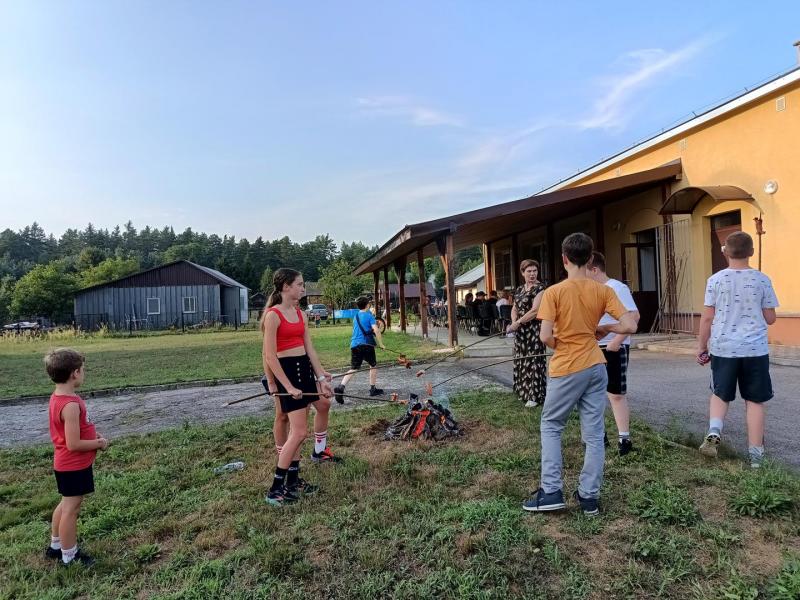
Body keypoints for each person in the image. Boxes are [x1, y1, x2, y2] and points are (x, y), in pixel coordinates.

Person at [523, 233, 636, 516]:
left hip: (567, 367)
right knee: (594, 433)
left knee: (552, 425)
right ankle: (589, 497)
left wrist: (561, 344)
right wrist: (606, 329)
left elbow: (545, 336)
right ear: (590, 259)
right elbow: (630, 326)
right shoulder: (603, 291)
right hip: (596, 364)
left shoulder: (554, 292)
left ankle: (551, 491)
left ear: (564, 259)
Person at [696, 231, 778, 468]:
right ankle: (756, 457)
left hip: (723, 349)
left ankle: (714, 431)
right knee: (755, 400)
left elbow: (707, 318)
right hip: (755, 350)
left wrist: (701, 346)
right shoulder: (763, 279)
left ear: (725, 252)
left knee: (720, 393)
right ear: (751, 252)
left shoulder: (715, 280)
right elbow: (771, 318)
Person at [261, 268, 336, 507]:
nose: (303, 288)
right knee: (299, 432)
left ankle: (292, 482)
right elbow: (270, 356)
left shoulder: (301, 314)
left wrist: (321, 377)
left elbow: (309, 348)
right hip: (288, 373)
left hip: (303, 370)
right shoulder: (273, 316)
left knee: (310, 418)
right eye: (300, 284)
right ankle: (275, 489)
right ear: (286, 286)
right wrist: (287, 386)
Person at [45, 348, 109, 566]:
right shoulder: (70, 405)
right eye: (83, 369)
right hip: (73, 465)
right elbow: (73, 444)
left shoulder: (59, 396)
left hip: (65, 464)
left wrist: (92, 434)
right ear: (75, 373)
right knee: (71, 510)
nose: (84, 373)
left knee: (65, 504)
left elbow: (72, 432)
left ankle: (55, 546)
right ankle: (69, 555)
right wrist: (99, 443)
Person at [587, 251, 640, 456]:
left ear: (594, 269)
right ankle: (600, 435)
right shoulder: (592, 289)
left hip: (614, 347)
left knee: (615, 393)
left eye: (585, 270)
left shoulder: (617, 288)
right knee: (594, 393)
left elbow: (634, 316)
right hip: (595, 347)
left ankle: (624, 439)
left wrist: (616, 341)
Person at [507, 259, 548, 407]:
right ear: (522, 272)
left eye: (535, 271)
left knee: (534, 361)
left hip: (534, 329)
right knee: (521, 359)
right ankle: (522, 392)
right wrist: (514, 322)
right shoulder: (519, 289)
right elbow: (514, 308)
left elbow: (535, 311)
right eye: (529, 271)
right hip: (521, 330)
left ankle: (534, 396)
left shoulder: (541, 288)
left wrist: (518, 323)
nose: (532, 274)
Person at [335, 296, 386, 401]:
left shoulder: (356, 316)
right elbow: (376, 330)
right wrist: (381, 344)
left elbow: (362, 330)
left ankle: (341, 387)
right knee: (373, 365)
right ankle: (372, 389)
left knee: (354, 368)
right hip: (366, 345)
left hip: (355, 345)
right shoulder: (369, 316)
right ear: (367, 305)